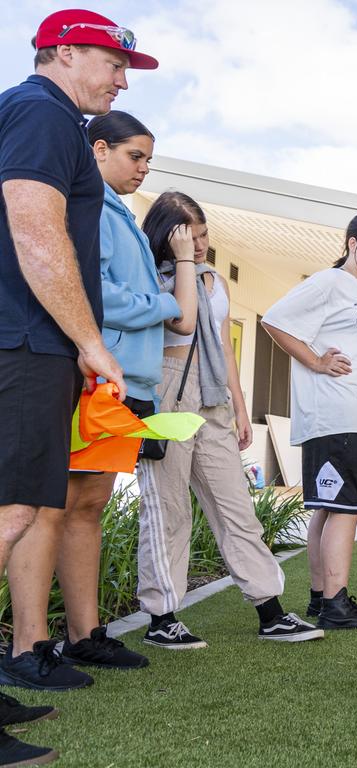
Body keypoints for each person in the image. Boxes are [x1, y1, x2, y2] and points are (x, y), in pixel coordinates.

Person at [0, 9, 155, 765]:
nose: (121, 79)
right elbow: (36, 231)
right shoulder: (40, 112)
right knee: (10, 514)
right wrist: (92, 344)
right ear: (63, 51)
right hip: (22, 342)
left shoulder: (42, 114)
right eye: (113, 63)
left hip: (30, 343)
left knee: (22, 510)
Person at [6, 111, 197, 683]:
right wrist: (166, 305)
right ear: (98, 150)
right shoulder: (85, 209)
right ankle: (29, 648)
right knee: (48, 507)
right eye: (135, 156)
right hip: (92, 381)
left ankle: (86, 636)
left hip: (128, 385)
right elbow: (94, 294)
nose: (143, 170)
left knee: (88, 506)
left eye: (148, 160)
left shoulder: (124, 215)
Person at [136, 192, 322, 648]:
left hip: (214, 392)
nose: (199, 246)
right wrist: (183, 263)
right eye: (189, 237)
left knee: (236, 506)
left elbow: (223, 348)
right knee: (168, 507)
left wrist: (240, 407)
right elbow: (182, 321)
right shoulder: (149, 275)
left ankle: (270, 610)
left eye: (203, 236)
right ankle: (162, 617)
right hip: (168, 387)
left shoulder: (216, 281)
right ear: (168, 235)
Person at [262, 212, 357, 631]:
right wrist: (317, 362)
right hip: (337, 413)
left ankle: (323, 598)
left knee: (329, 507)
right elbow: (274, 319)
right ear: (353, 242)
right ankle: (335, 602)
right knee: (345, 509)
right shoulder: (328, 281)